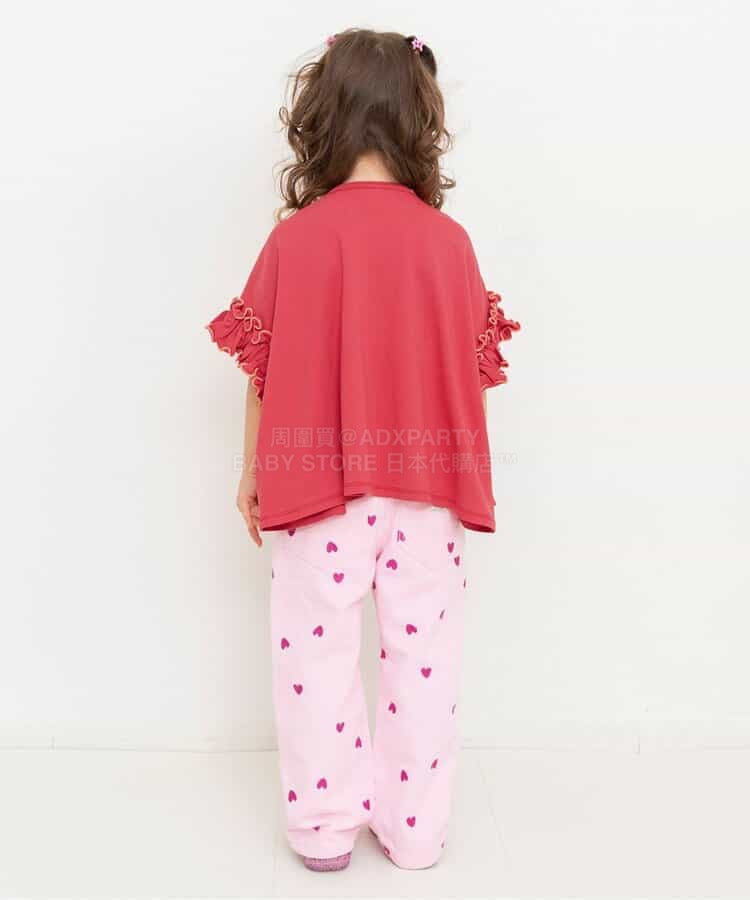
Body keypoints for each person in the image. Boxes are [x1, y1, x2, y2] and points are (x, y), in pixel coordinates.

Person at [205, 28, 520, 872]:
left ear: (324, 115)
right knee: (426, 664)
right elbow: (472, 375)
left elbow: (262, 369)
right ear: (420, 117)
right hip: (428, 493)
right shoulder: (449, 244)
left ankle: (322, 829)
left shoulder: (296, 240)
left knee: (315, 660)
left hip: (317, 492)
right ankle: (416, 831)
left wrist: (252, 474)